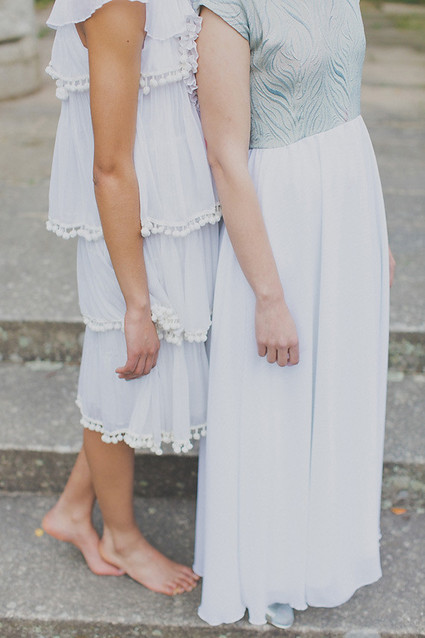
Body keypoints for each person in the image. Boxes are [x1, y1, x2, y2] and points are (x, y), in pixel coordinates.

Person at [193, 0, 396, 628]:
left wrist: (374, 234)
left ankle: (324, 553)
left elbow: (344, 98)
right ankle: (270, 566)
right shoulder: (226, 11)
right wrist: (269, 296)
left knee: (340, 387)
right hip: (279, 218)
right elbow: (225, 157)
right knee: (276, 393)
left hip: (348, 204)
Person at [41, 0, 219, 596]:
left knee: (140, 369)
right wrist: (135, 303)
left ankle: (73, 508)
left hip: (169, 211)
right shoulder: (117, 4)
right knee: (125, 366)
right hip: (132, 226)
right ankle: (120, 535)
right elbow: (111, 165)